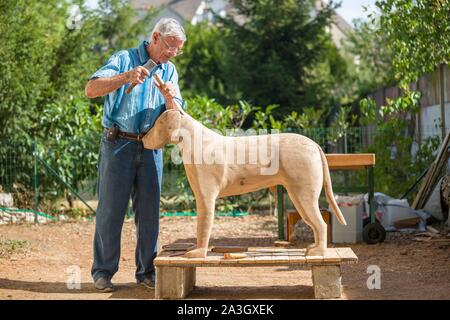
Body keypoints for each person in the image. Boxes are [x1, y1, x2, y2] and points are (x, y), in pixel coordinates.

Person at [84, 18, 186, 292]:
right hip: (118, 144)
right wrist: (126, 76)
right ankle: (103, 272)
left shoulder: (170, 70)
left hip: (152, 146)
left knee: (149, 213)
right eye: (169, 47)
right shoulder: (124, 58)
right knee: (110, 211)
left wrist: (169, 98)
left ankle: (147, 272)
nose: (172, 54)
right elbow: (90, 89)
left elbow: (178, 112)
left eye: (177, 50)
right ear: (155, 38)